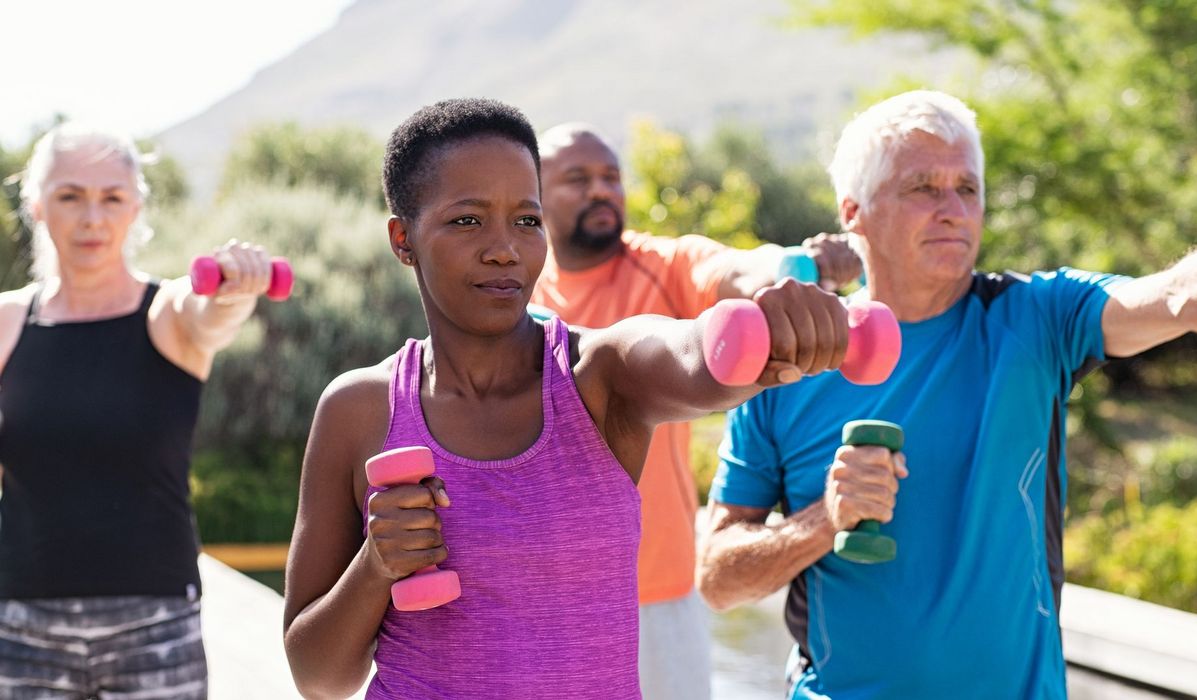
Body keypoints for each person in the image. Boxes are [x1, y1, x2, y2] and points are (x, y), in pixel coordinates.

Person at [281, 98, 851, 700]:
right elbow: (317, 679)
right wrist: (377, 566)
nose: (504, 249)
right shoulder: (359, 410)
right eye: (468, 220)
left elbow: (691, 357)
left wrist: (766, 335)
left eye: (527, 221)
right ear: (404, 239)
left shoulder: (598, 376)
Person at [695, 89, 1197, 699]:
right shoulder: (788, 363)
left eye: (967, 189)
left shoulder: (1037, 317)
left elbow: (1178, 292)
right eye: (923, 187)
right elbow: (716, 579)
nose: (953, 209)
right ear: (854, 212)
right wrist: (824, 520)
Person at [531, 122, 862, 700]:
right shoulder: (517, 292)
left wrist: (796, 268)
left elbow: (737, 270)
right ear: (532, 193)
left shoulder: (664, 264)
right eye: (577, 179)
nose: (601, 191)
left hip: (657, 593)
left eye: (611, 177)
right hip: (537, 597)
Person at [0, 123, 278, 698]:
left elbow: (211, 316)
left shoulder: (169, 314)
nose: (92, 218)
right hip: (20, 627)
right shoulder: (7, 324)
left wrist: (233, 292)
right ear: (36, 205)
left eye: (112, 198)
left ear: (137, 208)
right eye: (70, 196)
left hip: (154, 628)